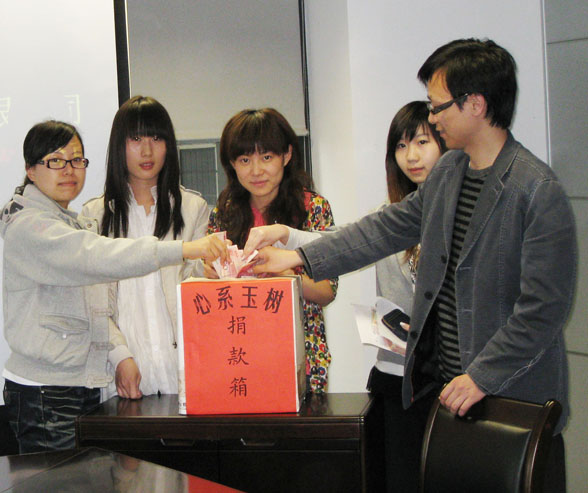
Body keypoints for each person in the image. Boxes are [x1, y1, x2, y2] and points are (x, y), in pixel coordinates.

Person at [245, 38, 575, 491]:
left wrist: (481, 376)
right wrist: (300, 255)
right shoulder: (449, 173)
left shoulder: (536, 189)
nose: (433, 117)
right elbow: (384, 228)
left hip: (511, 406)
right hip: (450, 401)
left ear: (476, 104)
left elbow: (544, 309)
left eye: (438, 106)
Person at [0, 120, 227, 453]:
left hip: (78, 385)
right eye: (55, 160)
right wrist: (183, 249)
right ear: (30, 170)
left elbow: (95, 303)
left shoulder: (70, 222)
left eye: (76, 159)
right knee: (61, 479)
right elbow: (96, 256)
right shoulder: (32, 226)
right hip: (46, 391)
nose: (69, 170)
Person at [82, 96, 209, 400]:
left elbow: (199, 291)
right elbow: (93, 303)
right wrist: (120, 356)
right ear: (119, 145)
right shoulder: (95, 215)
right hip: (123, 378)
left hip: (185, 373)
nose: (147, 150)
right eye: (136, 139)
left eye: (156, 138)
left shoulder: (193, 208)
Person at [207, 108, 337, 393]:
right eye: (245, 160)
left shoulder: (313, 208)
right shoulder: (223, 213)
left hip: (300, 356)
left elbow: (327, 292)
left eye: (266, 157)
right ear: (232, 164)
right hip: (239, 354)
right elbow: (212, 294)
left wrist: (288, 276)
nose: (256, 171)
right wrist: (211, 273)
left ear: (287, 155)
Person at [367, 101, 446, 492]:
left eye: (422, 142)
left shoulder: (459, 214)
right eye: (401, 146)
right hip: (394, 377)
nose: (411, 156)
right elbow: (343, 241)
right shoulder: (389, 213)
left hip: (443, 381)